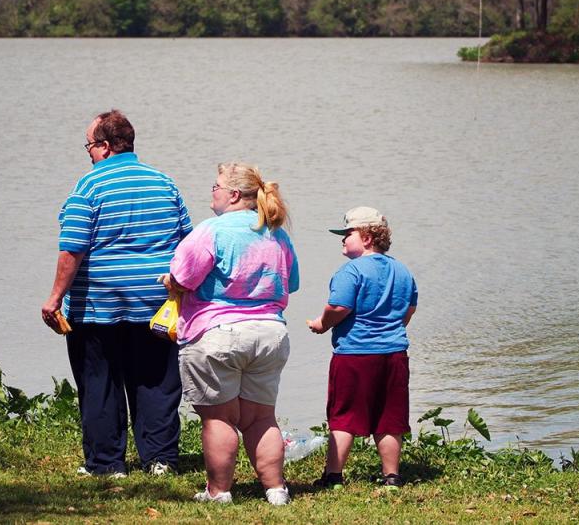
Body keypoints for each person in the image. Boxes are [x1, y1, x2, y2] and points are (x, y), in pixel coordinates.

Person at [41, 110, 193, 477]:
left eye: (89, 146)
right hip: (155, 305)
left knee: (99, 382)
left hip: (98, 307)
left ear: (106, 147)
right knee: (156, 381)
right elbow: (187, 243)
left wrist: (54, 297)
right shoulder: (164, 183)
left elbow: (72, 248)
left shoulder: (89, 186)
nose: (89, 153)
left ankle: (107, 464)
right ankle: (159, 460)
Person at [161, 162, 299, 505]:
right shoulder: (277, 234)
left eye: (215, 186)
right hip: (270, 333)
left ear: (234, 195)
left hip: (217, 333)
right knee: (261, 417)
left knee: (218, 418)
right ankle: (276, 489)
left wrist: (169, 283)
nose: (212, 192)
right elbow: (291, 283)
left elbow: (183, 277)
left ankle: (219, 492)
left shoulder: (212, 230)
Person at [307, 206, 417, 490]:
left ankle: (333, 476)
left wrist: (322, 323)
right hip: (394, 353)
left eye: (348, 233)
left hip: (355, 354)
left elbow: (339, 306)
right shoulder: (402, 270)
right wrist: (391, 329)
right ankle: (391, 476)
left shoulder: (351, 271)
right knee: (389, 417)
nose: (343, 239)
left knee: (343, 415)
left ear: (368, 237)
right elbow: (409, 308)